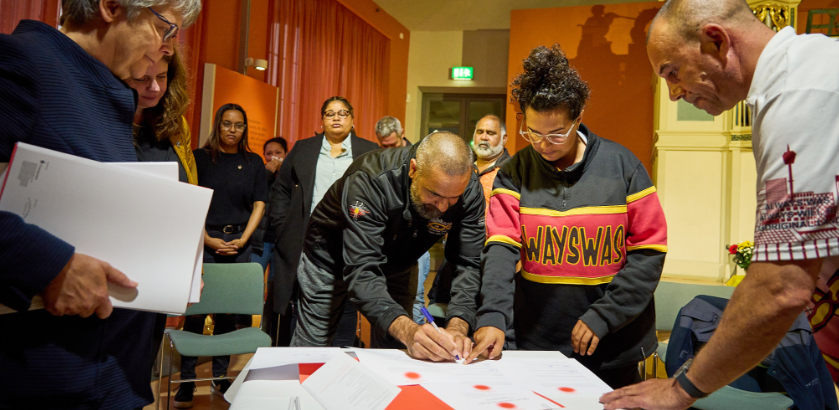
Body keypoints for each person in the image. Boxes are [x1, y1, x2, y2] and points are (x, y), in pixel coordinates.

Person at [602, 0, 839, 407]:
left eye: (672, 72)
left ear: (715, 40)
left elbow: (781, 288)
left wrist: (680, 390)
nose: (674, 93)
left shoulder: (798, 93)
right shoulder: (803, 74)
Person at [0, 1, 199, 408]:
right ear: (111, 7)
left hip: (108, 376)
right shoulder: (23, 63)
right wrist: (53, 265)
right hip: (41, 381)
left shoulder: (99, 89)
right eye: (165, 30)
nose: (168, 49)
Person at [468, 45, 667, 391]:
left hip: (612, 341)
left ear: (578, 118)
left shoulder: (622, 167)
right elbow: (500, 249)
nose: (544, 145)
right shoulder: (514, 172)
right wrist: (493, 317)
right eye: (533, 133)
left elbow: (649, 252)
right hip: (538, 337)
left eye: (557, 133)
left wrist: (605, 315)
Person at [291, 131, 485, 362]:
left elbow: (468, 264)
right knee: (312, 349)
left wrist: (458, 326)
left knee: (399, 350)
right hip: (330, 261)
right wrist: (409, 330)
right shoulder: (370, 178)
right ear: (414, 169)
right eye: (434, 194)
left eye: (453, 199)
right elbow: (362, 271)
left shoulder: (470, 190)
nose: (443, 207)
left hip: (399, 264)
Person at [268, 97, 380, 347]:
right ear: (322, 120)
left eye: (343, 113)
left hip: (350, 238)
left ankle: (341, 364)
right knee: (304, 302)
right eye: (330, 114)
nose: (337, 118)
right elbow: (281, 191)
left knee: (347, 304)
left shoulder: (369, 150)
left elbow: (379, 194)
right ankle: (305, 364)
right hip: (306, 238)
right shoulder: (303, 149)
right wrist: (282, 226)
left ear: (352, 119)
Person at [176, 104, 268, 408]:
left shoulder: (253, 162)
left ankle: (220, 375)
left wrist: (243, 239)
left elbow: (259, 205)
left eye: (239, 125)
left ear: (244, 129)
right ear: (217, 125)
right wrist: (207, 239)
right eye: (227, 124)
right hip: (204, 240)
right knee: (197, 312)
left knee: (228, 313)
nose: (232, 130)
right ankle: (187, 381)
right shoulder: (200, 158)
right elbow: (190, 200)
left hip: (238, 242)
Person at [127, 47, 197, 387]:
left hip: (158, 270)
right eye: (142, 78)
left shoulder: (174, 124)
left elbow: (189, 190)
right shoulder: (106, 121)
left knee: (139, 375)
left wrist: (190, 264)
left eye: (162, 77)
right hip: (113, 266)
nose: (154, 88)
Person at [374, 115, 433, 325]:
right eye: (384, 146)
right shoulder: (376, 162)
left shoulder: (422, 157)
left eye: (394, 144)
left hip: (416, 237)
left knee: (415, 296)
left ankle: (418, 340)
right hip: (388, 238)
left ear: (402, 134)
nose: (390, 150)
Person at [251, 137, 287, 345]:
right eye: (269, 153)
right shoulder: (260, 173)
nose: (273, 157)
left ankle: (268, 331)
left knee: (274, 289)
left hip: (280, 241)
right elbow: (251, 195)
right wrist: (266, 173)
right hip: (260, 240)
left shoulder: (289, 174)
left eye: (278, 153)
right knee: (253, 285)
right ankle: (244, 327)